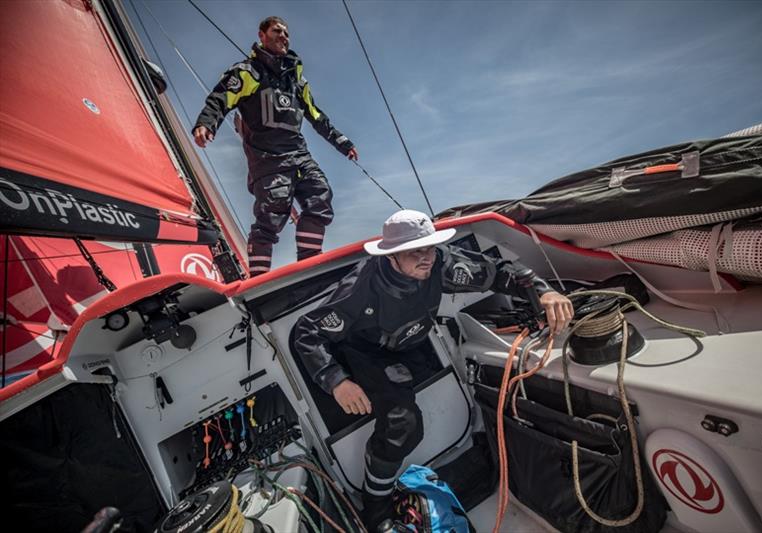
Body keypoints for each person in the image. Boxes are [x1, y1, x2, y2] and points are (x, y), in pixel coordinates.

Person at [294, 209, 574, 530]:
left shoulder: (441, 263)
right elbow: (307, 332)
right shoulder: (362, 288)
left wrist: (543, 290)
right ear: (392, 257)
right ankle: (375, 508)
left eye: (429, 247)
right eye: (416, 251)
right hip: (368, 351)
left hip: (414, 339)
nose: (427, 257)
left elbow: (498, 272)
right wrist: (336, 381)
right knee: (404, 424)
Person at [193, 16, 358, 275]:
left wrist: (342, 142)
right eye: (277, 31)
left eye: (286, 33)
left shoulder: (296, 81)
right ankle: (259, 278)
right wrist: (206, 123)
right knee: (273, 214)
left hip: (299, 153)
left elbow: (316, 115)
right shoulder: (248, 72)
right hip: (267, 159)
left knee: (320, 195)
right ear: (262, 35)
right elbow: (220, 98)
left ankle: (309, 264)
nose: (283, 37)